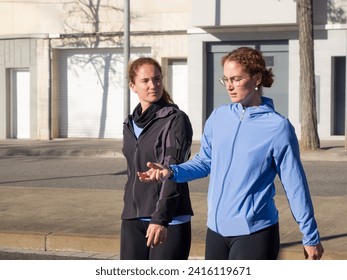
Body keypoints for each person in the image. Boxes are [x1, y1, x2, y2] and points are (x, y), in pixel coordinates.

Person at [138, 47, 324, 260]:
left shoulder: (277, 127)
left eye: (236, 79)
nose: (229, 86)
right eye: (225, 79)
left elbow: (295, 184)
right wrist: (171, 171)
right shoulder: (218, 117)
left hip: (255, 232)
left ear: (256, 78)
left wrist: (310, 236)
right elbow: (204, 162)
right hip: (216, 231)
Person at [120, 57, 194, 260]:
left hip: (169, 218)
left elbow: (173, 170)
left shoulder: (175, 119)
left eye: (157, 79)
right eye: (145, 81)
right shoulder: (129, 124)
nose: (153, 85)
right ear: (133, 86)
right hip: (133, 216)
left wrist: (161, 218)